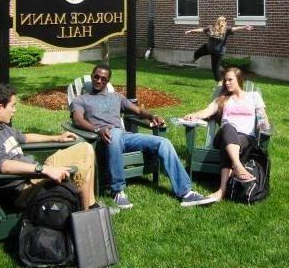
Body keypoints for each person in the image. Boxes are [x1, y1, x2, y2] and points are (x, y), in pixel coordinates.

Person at [70, 63, 217, 209]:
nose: (99, 81)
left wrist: (152, 116)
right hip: (104, 139)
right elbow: (78, 120)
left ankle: (185, 192)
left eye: (103, 79)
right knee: (114, 133)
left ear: (107, 81)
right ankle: (118, 191)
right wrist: (98, 130)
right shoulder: (81, 100)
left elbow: (138, 112)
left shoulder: (116, 97)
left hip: (125, 137)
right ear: (92, 77)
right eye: (96, 77)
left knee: (163, 142)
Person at [0, 84, 97, 211]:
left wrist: (56, 138)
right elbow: (3, 165)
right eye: (13, 105)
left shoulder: (0, 127)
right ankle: (85, 215)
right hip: (22, 191)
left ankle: (90, 205)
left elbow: (25, 138)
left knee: (85, 148)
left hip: (33, 176)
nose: (14, 110)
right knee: (81, 168)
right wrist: (43, 169)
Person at [183, 67, 270, 201]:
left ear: (239, 80)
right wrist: (193, 115)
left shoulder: (253, 97)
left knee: (228, 145)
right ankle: (237, 165)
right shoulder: (222, 99)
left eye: (230, 80)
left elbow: (263, 118)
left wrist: (264, 126)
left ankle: (221, 190)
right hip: (224, 134)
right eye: (225, 80)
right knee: (228, 127)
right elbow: (206, 112)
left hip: (245, 139)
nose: (227, 83)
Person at [184, 16, 254, 81]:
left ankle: (219, 83)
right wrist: (191, 31)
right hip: (208, 48)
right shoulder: (211, 28)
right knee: (197, 53)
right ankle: (194, 59)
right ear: (220, 22)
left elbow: (235, 29)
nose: (226, 23)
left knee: (215, 70)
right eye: (225, 22)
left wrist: (244, 27)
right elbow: (201, 30)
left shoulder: (226, 30)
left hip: (217, 53)